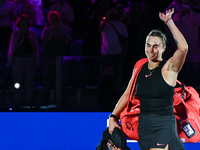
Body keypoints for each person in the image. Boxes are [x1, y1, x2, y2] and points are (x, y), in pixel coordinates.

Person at [109, 8, 187, 150]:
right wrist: (113, 117)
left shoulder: (169, 68)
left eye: (156, 46)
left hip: (164, 125)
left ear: (164, 48)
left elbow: (183, 48)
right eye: (148, 45)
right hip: (144, 126)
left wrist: (169, 22)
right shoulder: (140, 66)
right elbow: (128, 94)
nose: (151, 50)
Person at [7, 15, 39, 109]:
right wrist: (22, 41)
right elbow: (13, 48)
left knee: (29, 82)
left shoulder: (32, 34)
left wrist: (29, 40)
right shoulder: (15, 34)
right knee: (17, 82)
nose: (23, 24)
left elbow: (35, 48)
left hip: (29, 60)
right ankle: (17, 102)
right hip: (18, 60)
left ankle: (28, 103)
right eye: (22, 22)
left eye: (25, 22)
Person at [41, 11, 70, 106]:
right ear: (49, 20)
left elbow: (66, 42)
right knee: (47, 80)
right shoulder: (46, 31)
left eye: (55, 18)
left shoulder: (65, 30)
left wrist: (59, 34)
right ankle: (45, 102)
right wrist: (51, 35)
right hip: (49, 58)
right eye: (51, 19)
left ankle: (63, 102)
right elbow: (44, 44)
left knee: (62, 80)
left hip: (61, 58)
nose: (54, 21)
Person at [99, 9, 128, 93]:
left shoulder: (121, 25)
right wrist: (106, 18)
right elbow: (100, 29)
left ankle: (116, 93)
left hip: (117, 53)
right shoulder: (105, 24)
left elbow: (126, 39)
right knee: (104, 74)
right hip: (106, 53)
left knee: (118, 75)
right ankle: (103, 92)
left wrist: (124, 52)